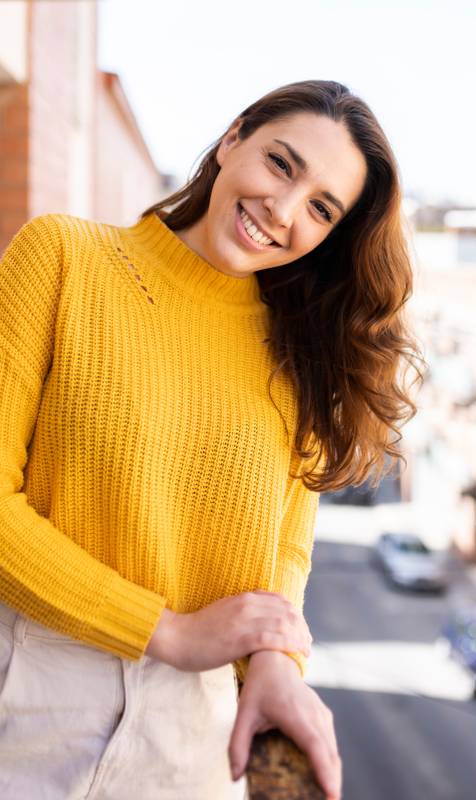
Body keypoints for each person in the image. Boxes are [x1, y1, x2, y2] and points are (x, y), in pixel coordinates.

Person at [0, 79, 422, 799]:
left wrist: (276, 663)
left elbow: (281, 557)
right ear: (232, 140)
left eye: (320, 208)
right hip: (28, 686)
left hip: (192, 738)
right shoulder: (65, 258)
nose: (282, 211)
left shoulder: (304, 355)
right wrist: (165, 630)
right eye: (281, 164)